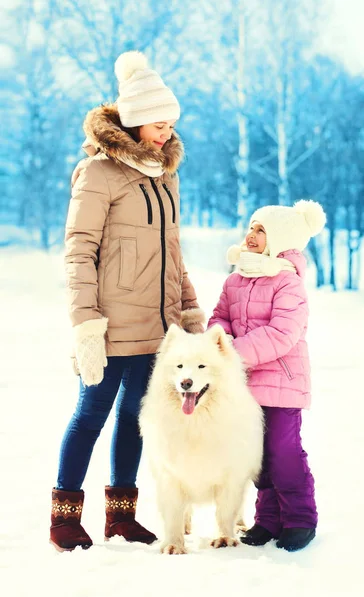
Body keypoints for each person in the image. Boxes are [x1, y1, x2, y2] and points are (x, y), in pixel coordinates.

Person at [49, 51, 205, 552]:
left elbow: (173, 250)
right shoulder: (97, 172)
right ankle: (65, 519)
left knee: (137, 418)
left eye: (171, 122)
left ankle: (122, 517)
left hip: (159, 326)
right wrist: (86, 326)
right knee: (90, 415)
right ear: (135, 120)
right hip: (111, 325)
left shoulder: (166, 174)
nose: (167, 130)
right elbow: (79, 252)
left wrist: (189, 309)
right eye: (159, 122)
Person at [207, 200, 326, 552]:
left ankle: (300, 518)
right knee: (256, 455)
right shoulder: (236, 279)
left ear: (280, 239)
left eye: (262, 230)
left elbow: (281, 334)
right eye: (251, 227)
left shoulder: (288, 283)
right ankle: (268, 519)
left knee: (282, 451)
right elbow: (219, 317)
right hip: (243, 386)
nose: (251, 235)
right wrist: (220, 337)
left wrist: (231, 353)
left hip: (282, 382)